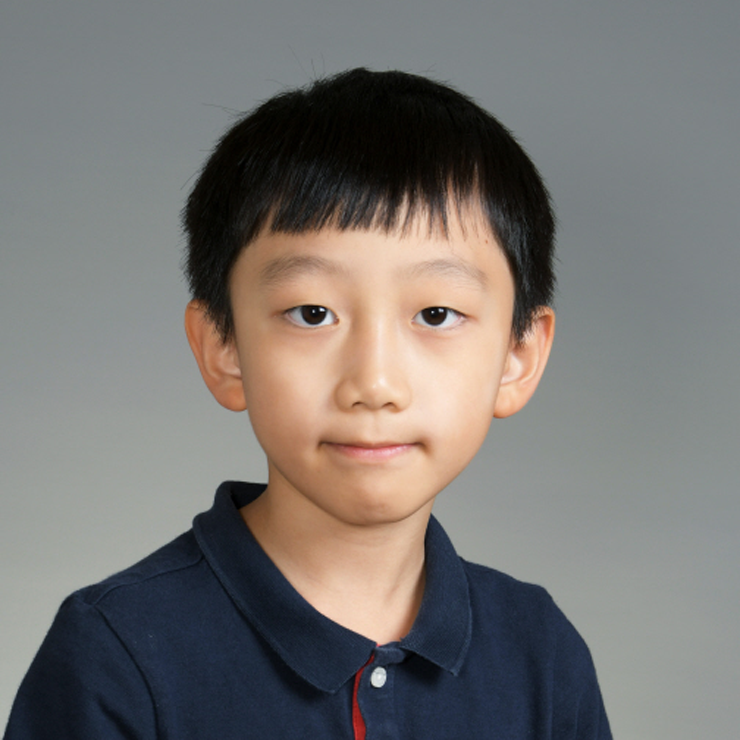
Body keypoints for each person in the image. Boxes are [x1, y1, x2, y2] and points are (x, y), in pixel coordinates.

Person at [4, 68, 612, 739]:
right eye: (312, 313)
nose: (374, 383)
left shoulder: (540, 654)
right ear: (223, 348)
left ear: (518, 357)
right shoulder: (117, 653)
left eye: (436, 314)